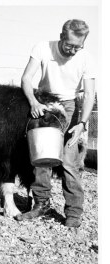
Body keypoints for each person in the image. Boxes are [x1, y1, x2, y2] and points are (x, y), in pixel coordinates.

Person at [15, 19, 96, 228]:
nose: (73, 51)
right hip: (45, 102)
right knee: (42, 156)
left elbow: (89, 94)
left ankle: (74, 213)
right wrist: (33, 102)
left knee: (69, 161)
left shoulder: (86, 58)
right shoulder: (42, 48)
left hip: (69, 107)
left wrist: (82, 123)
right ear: (61, 37)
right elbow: (26, 78)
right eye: (69, 45)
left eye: (78, 47)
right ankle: (41, 204)